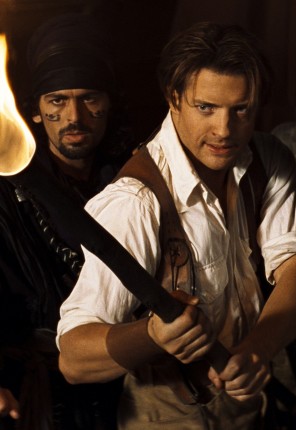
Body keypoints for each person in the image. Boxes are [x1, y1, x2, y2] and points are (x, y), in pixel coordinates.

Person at [56, 22, 296, 429]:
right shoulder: (135, 201)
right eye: (206, 108)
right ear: (174, 98)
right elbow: (73, 359)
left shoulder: (267, 161)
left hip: (247, 408)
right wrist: (151, 336)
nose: (224, 131)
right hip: (165, 416)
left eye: (241, 109)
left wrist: (256, 350)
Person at [0, 13, 131, 430]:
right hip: (34, 388)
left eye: (89, 98)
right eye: (57, 100)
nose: (74, 115)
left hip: (125, 377)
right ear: (36, 111)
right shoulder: (8, 191)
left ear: (109, 104)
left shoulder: (133, 183)